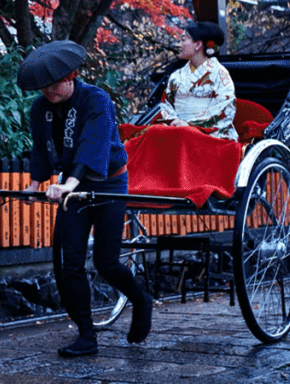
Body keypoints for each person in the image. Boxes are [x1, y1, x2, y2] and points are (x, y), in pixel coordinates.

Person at [18, 40, 152, 357]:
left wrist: (70, 184)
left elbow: (92, 145)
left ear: (72, 75)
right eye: (42, 87)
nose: (47, 91)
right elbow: (40, 149)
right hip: (72, 187)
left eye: (53, 84)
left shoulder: (96, 99)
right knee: (71, 263)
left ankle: (140, 299)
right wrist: (35, 184)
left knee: (106, 263)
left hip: (108, 183)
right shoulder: (40, 108)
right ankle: (86, 335)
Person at [153, 21, 237, 140]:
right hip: (178, 129)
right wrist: (175, 121)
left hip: (209, 134)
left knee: (184, 137)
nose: (179, 44)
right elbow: (166, 105)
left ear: (197, 45)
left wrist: (190, 125)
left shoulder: (219, 74)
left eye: (183, 40)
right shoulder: (176, 75)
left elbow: (224, 109)